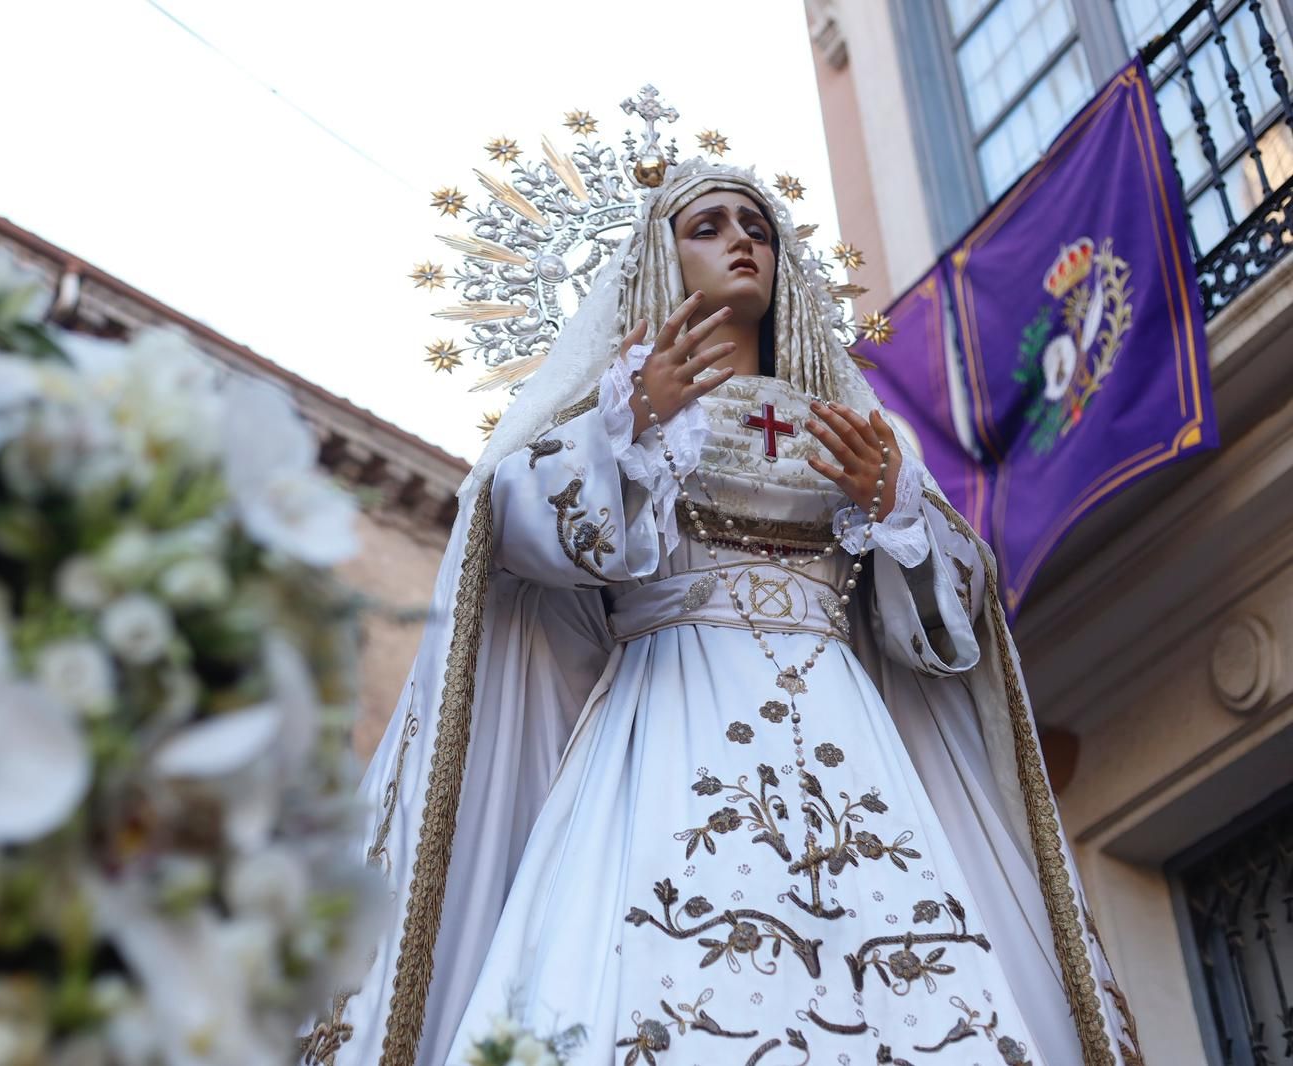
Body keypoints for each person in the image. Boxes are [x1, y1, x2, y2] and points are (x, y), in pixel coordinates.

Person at [302, 160, 1143, 1066]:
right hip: (666, 714)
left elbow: (951, 623)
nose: (743, 239)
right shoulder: (618, 412)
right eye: (707, 225)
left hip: (843, 728)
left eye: (758, 225)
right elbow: (512, 524)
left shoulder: (859, 434)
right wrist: (632, 424)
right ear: (660, 265)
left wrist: (896, 508)